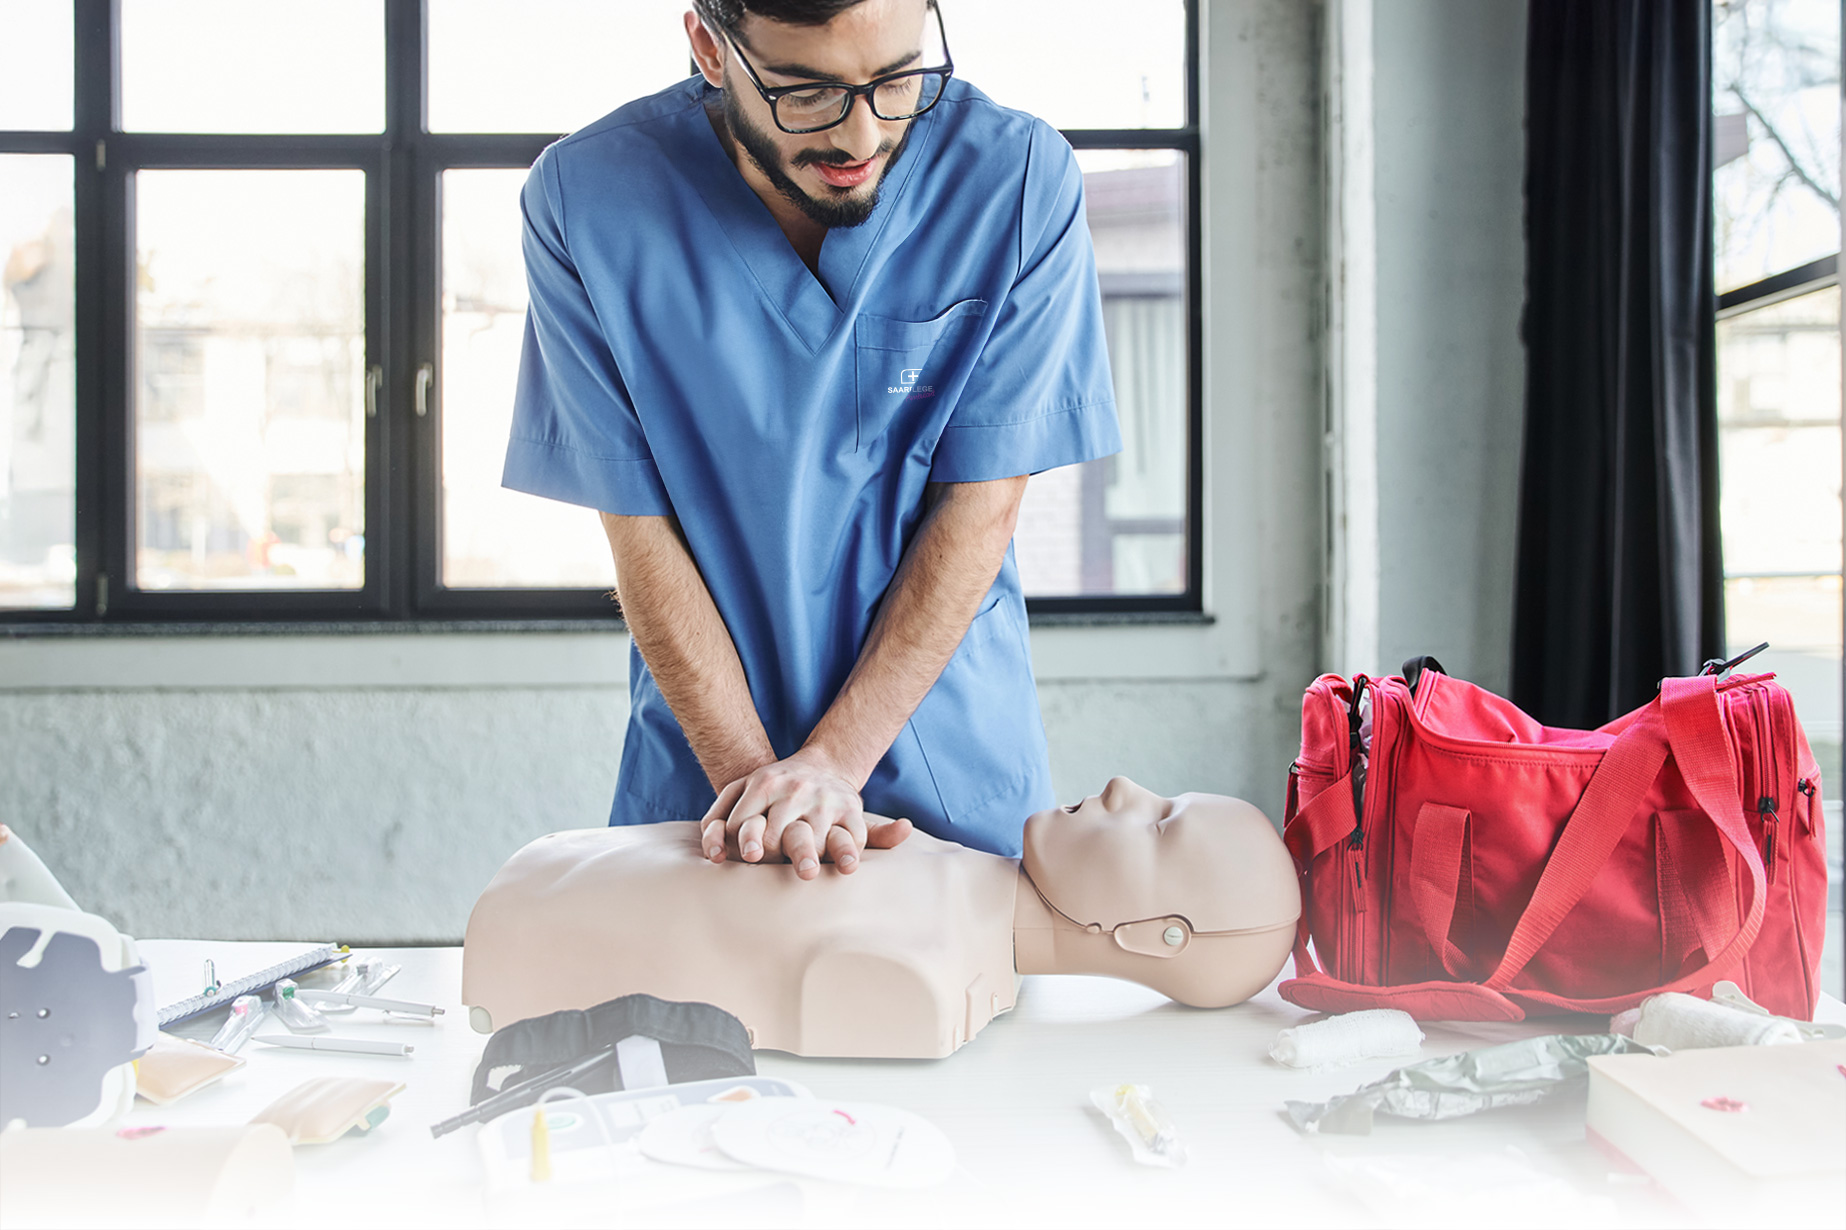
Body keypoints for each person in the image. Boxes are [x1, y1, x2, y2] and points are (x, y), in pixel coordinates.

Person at [502, 0, 1122, 874]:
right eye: (806, 92)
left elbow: (980, 510)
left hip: (944, 771)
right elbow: (640, 539)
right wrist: (764, 806)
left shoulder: (1015, 179)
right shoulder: (586, 201)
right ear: (710, 47)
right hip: (711, 782)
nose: (862, 135)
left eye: (898, 79)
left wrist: (832, 767)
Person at [462, 779, 1303, 1057]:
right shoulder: (943, 873)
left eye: (1160, 823)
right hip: (543, 898)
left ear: (1156, 936)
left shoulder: (924, 976)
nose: (1124, 788)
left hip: (532, 937)